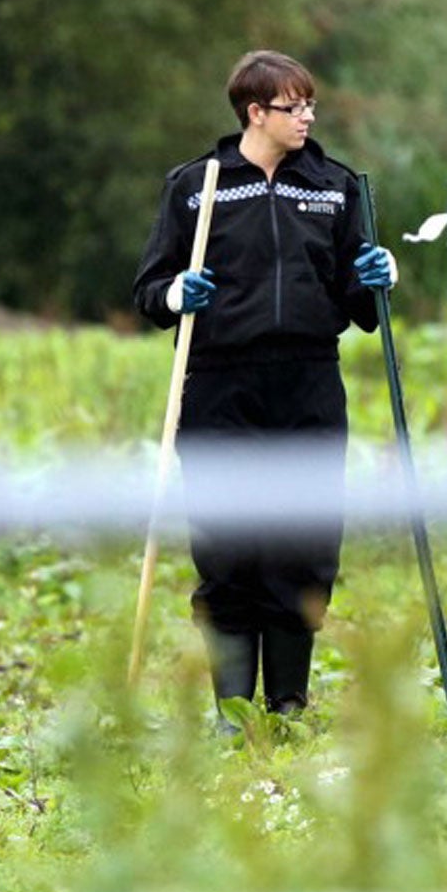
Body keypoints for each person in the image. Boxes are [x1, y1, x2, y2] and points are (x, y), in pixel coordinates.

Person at [132, 50, 395, 722]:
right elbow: (149, 291)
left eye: (310, 104)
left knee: (302, 547)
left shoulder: (335, 186)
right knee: (227, 547)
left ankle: (288, 706)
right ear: (256, 113)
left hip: (309, 382)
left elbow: (359, 304)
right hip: (221, 384)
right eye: (293, 106)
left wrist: (376, 277)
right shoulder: (198, 185)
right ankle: (231, 710)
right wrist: (173, 293)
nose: (307, 116)